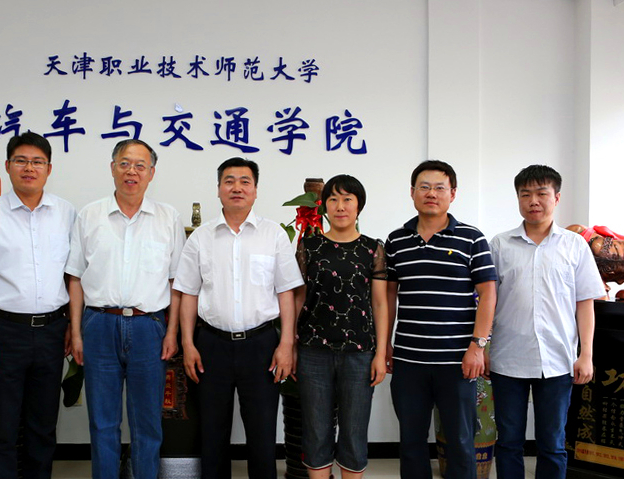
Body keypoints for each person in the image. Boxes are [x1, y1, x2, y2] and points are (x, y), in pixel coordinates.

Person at [175, 157, 304, 479]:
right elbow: (188, 293)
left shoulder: (273, 235)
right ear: (218, 189)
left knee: (262, 434)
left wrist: (286, 344)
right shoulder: (200, 238)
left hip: (261, 345)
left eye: (245, 181)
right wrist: (188, 343)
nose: (237, 188)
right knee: (212, 433)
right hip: (211, 345)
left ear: (255, 190)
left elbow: (286, 293)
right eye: (229, 181)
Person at [0, 132, 75, 479]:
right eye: (21, 161)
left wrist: (72, 326)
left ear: (49, 169)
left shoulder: (66, 213)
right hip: (4, 333)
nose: (29, 168)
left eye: (37, 162)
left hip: (52, 331)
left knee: (43, 426)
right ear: (8, 166)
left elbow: (74, 275)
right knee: (2, 427)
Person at [66, 139, 184, 479]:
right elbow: (75, 278)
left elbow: (177, 282)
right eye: (124, 163)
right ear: (112, 168)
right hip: (99, 325)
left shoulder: (168, 218)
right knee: (103, 422)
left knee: (147, 422)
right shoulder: (89, 215)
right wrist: (76, 332)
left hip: (149, 327)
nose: (132, 171)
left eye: (140, 165)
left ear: (151, 173)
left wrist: (172, 332)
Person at [487, 165, 604, 479]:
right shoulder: (500, 244)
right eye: (525, 194)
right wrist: (483, 346)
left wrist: (586, 354)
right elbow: (487, 302)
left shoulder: (574, 245)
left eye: (541, 193)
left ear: (556, 197)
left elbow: (585, 303)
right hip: (507, 358)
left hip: (557, 360)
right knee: (508, 441)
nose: (533, 201)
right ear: (518, 199)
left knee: (552, 443)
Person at [384, 160, 497, 479]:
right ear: (412, 192)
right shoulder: (396, 240)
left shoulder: (471, 238)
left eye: (439, 188)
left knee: (461, 441)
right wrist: (386, 345)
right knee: (411, 442)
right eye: (424, 187)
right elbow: (388, 296)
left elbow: (488, 293)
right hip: (409, 360)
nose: (431, 193)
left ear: (453, 194)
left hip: (457, 361)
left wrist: (477, 346)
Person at [295, 175, 388, 479]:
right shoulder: (309, 246)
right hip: (313, 351)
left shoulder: (373, 249)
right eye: (333, 199)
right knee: (315, 431)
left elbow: (379, 304)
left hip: (359, 353)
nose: (340, 206)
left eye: (348, 199)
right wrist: (290, 345)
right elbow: (298, 298)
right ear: (324, 206)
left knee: (354, 431)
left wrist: (379, 354)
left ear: (359, 205)